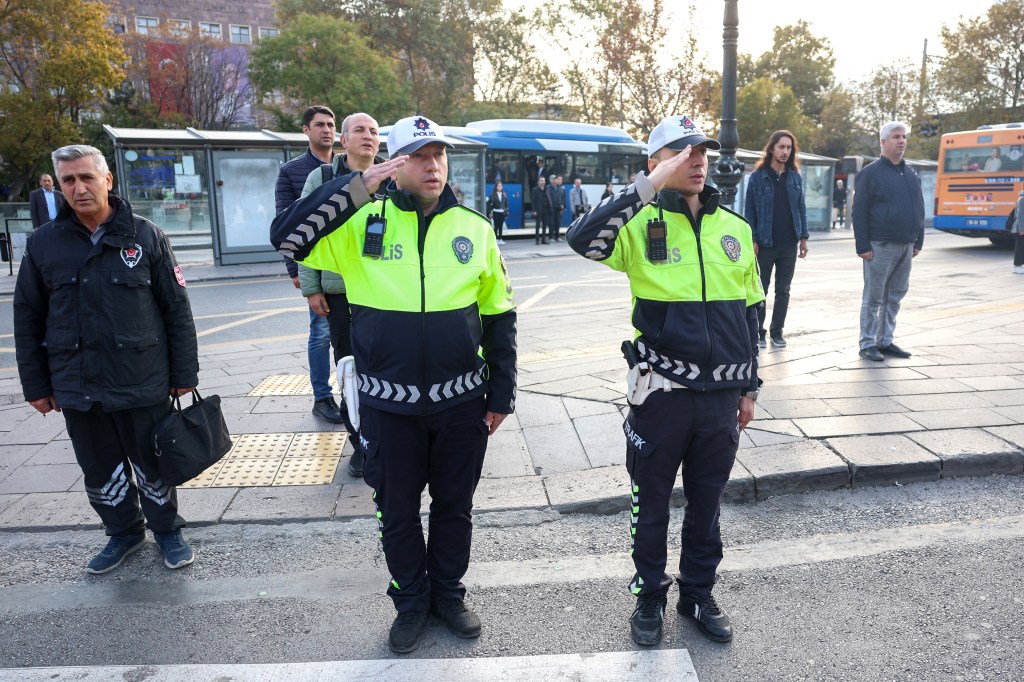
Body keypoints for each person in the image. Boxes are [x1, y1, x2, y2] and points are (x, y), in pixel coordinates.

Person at [271, 115, 518, 654]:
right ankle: (410, 602)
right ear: (395, 162)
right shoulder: (359, 223)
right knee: (397, 510)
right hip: (388, 406)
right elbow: (286, 235)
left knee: (455, 506)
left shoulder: (474, 227)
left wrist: (502, 392)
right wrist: (358, 186)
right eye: (418, 156)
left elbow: (499, 314)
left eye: (439, 156)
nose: (432, 166)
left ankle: (448, 596)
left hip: (460, 406)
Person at [567, 115, 763, 647]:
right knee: (650, 505)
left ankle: (698, 593)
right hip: (662, 395)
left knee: (706, 507)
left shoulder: (736, 229)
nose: (696, 159)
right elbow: (582, 239)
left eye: (701, 150)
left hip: (720, 399)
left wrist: (749, 386)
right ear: (656, 163)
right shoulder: (636, 223)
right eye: (681, 151)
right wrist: (648, 187)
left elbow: (751, 312)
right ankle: (649, 595)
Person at [14, 145, 199, 574]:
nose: (78, 188)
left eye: (86, 178)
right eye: (68, 181)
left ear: (108, 180)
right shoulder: (44, 244)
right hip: (78, 383)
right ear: (59, 185)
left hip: (143, 378)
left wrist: (184, 373)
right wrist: (37, 386)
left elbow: (176, 308)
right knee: (99, 468)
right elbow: (27, 316)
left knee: (152, 463)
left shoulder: (146, 235)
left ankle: (168, 531)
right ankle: (123, 533)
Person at [298, 112, 384, 478]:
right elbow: (304, 232)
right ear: (343, 140)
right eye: (359, 130)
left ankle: (384, 439)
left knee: (383, 369)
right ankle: (359, 444)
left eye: (374, 131)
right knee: (350, 370)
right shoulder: (323, 177)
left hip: (384, 291)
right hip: (340, 294)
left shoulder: (392, 176)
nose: (367, 136)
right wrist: (312, 286)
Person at [274, 105, 343, 425]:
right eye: (320, 125)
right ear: (306, 130)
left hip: (351, 270)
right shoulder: (292, 172)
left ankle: (355, 394)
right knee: (320, 334)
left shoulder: (349, 164)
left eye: (331, 125)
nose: (326, 130)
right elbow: (289, 225)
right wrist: (295, 272)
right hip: (316, 268)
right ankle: (322, 397)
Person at [853, 121, 924, 362]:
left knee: (895, 295)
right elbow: (859, 211)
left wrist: (918, 241)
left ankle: (885, 341)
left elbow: (919, 208)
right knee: (874, 296)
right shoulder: (870, 174)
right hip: (879, 245)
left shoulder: (911, 174)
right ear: (883, 142)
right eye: (896, 136)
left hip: (906, 245)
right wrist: (862, 246)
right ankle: (867, 343)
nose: (901, 140)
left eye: (904, 136)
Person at [744, 130, 809, 349]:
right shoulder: (757, 177)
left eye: (789, 148)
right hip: (764, 244)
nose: (785, 151)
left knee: (784, 290)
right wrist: (751, 238)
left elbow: (801, 209)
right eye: (781, 147)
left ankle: (777, 332)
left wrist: (804, 238)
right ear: (771, 148)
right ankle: (758, 332)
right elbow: (749, 211)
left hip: (789, 243)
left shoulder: (794, 177)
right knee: (760, 289)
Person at [531, 175, 553, 244]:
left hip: (546, 210)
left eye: (544, 180)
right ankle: (537, 240)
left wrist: (550, 208)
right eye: (541, 180)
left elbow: (549, 199)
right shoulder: (535, 190)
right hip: (538, 211)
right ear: (538, 182)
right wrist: (534, 210)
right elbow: (533, 201)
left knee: (544, 226)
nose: (543, 182)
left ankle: (543, 240)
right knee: (537, 226)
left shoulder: (547, 189)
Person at [547, 174, 566, 242]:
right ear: (550, 180)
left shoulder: (560, 188)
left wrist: (562, 206)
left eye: (555, 179)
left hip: (558, 208)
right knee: (551, 223)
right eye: (553, 179)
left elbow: (562, 198)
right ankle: (551, 237)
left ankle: (557, 237)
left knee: (557, 223)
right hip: (551, 208)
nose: (555, 180)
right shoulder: (548, 188)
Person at [1010, 190, 1024, 274]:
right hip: (1020, 229)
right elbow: (1020, 216)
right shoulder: (1022, 199)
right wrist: (1022, 229)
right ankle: (1017, 266)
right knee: (1020, 247)